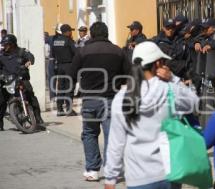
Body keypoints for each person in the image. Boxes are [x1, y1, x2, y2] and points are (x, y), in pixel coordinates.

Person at [104, 41, 198, 189]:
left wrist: (110, 178)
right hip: (170, 172)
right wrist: (173, 78)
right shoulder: (170, 90)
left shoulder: (122, 97)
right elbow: (194, 102)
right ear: (158, 63)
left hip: (138, 177)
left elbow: (116, 143)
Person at [69, 21, 131, 181]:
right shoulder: (118, 51)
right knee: (112, 136)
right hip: (111, 99)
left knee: (89, 133)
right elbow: (129, 74)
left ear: (92, 34)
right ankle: (113, 171)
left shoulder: (83, 52)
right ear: (107, 34)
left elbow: (71, 74)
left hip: (89, 99)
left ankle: (92, 170)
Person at [0, 34, 44, 131]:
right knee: (2, 101)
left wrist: (29, 62)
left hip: (21, 79)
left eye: (6, 44)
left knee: (31, 98)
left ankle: (38, 119)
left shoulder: (21, 51)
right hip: (7, 81)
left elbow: (31, 57)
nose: (4, 47)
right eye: (3, 45)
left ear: (12, 44)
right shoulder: (1, 55)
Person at [52, 24, 77, 116]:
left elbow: (53, 54)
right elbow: (76, 52)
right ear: (67, 31)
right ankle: (69, 109)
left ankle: (59, 109)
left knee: (61, 88)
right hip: (69, 66)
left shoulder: (55, 41)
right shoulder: (69, 41)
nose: (71, 32)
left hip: (59, 66)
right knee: (69, 87)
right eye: (70, 31)